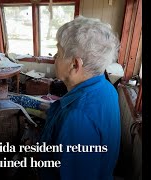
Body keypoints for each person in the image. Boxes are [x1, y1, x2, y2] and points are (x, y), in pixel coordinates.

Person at [38, 16, 121, 180]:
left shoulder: (76, 117)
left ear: (75, 64)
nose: (55, 58)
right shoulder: (106, 88)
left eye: (59, 53)